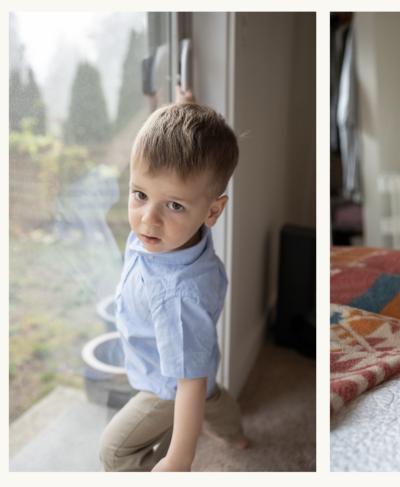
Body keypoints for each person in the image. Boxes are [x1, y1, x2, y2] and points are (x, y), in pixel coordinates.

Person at [99, 86, 248, 472]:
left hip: (163, 385)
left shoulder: (178, 297)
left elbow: (188, 384)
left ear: (213, 211)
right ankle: (235, 434)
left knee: (114, 451)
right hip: (189, 351)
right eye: (139, 194)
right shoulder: (175, 231)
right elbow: (178, 173)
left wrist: (179, 458)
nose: (149, 218)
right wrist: (184, 107)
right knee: (211, 391)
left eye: (174, 205)